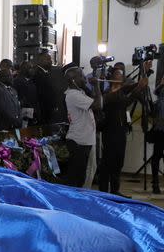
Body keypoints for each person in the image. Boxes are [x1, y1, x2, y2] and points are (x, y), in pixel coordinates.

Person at [99, 67, 148, 196]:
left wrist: (144, 73)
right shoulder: (109, 93)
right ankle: (104, 191)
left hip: (120, 132)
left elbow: (130, 87)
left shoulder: (120, 90)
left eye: (122, 76)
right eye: (119, 75)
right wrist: (138, 89)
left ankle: (115, 191)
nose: (122, 78)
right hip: (110, 133)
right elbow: (125, 102)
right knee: (108, 162)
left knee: (118, 162)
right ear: (113, 78)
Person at [64, 67, 102, 187]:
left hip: (85, 139)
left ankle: (84, 197)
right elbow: (98, 105)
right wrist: (96, 86)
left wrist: (87, 85)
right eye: (82, 75)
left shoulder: (80, 92)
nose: (85, 78)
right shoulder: (73, 95)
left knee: (89, 171)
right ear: (73, 80)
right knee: (79, 177)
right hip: (79, 140)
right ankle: (77, 200)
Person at [34, 53, 67, 125]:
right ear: (40, 61)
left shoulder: (46, 73)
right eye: (48, 59)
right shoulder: (38, 74)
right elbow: (41, 94)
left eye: (51, 59)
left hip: (49, 109)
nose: (51, 61)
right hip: (43, 109)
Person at [149, 76, 164, 194]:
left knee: (157, 157)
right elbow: (156, 91)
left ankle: (156, 183)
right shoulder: (159, 101)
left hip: (160, 130)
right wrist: (162, 83)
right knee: (157, 156)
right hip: (160, 131)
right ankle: (155, 183)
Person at [13, 61, 39, 128]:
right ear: (24, 69)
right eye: (30, 68)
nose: (32, 70)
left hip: (32, 112)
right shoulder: (17, 81)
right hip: (22, 112)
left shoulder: (31, 81)